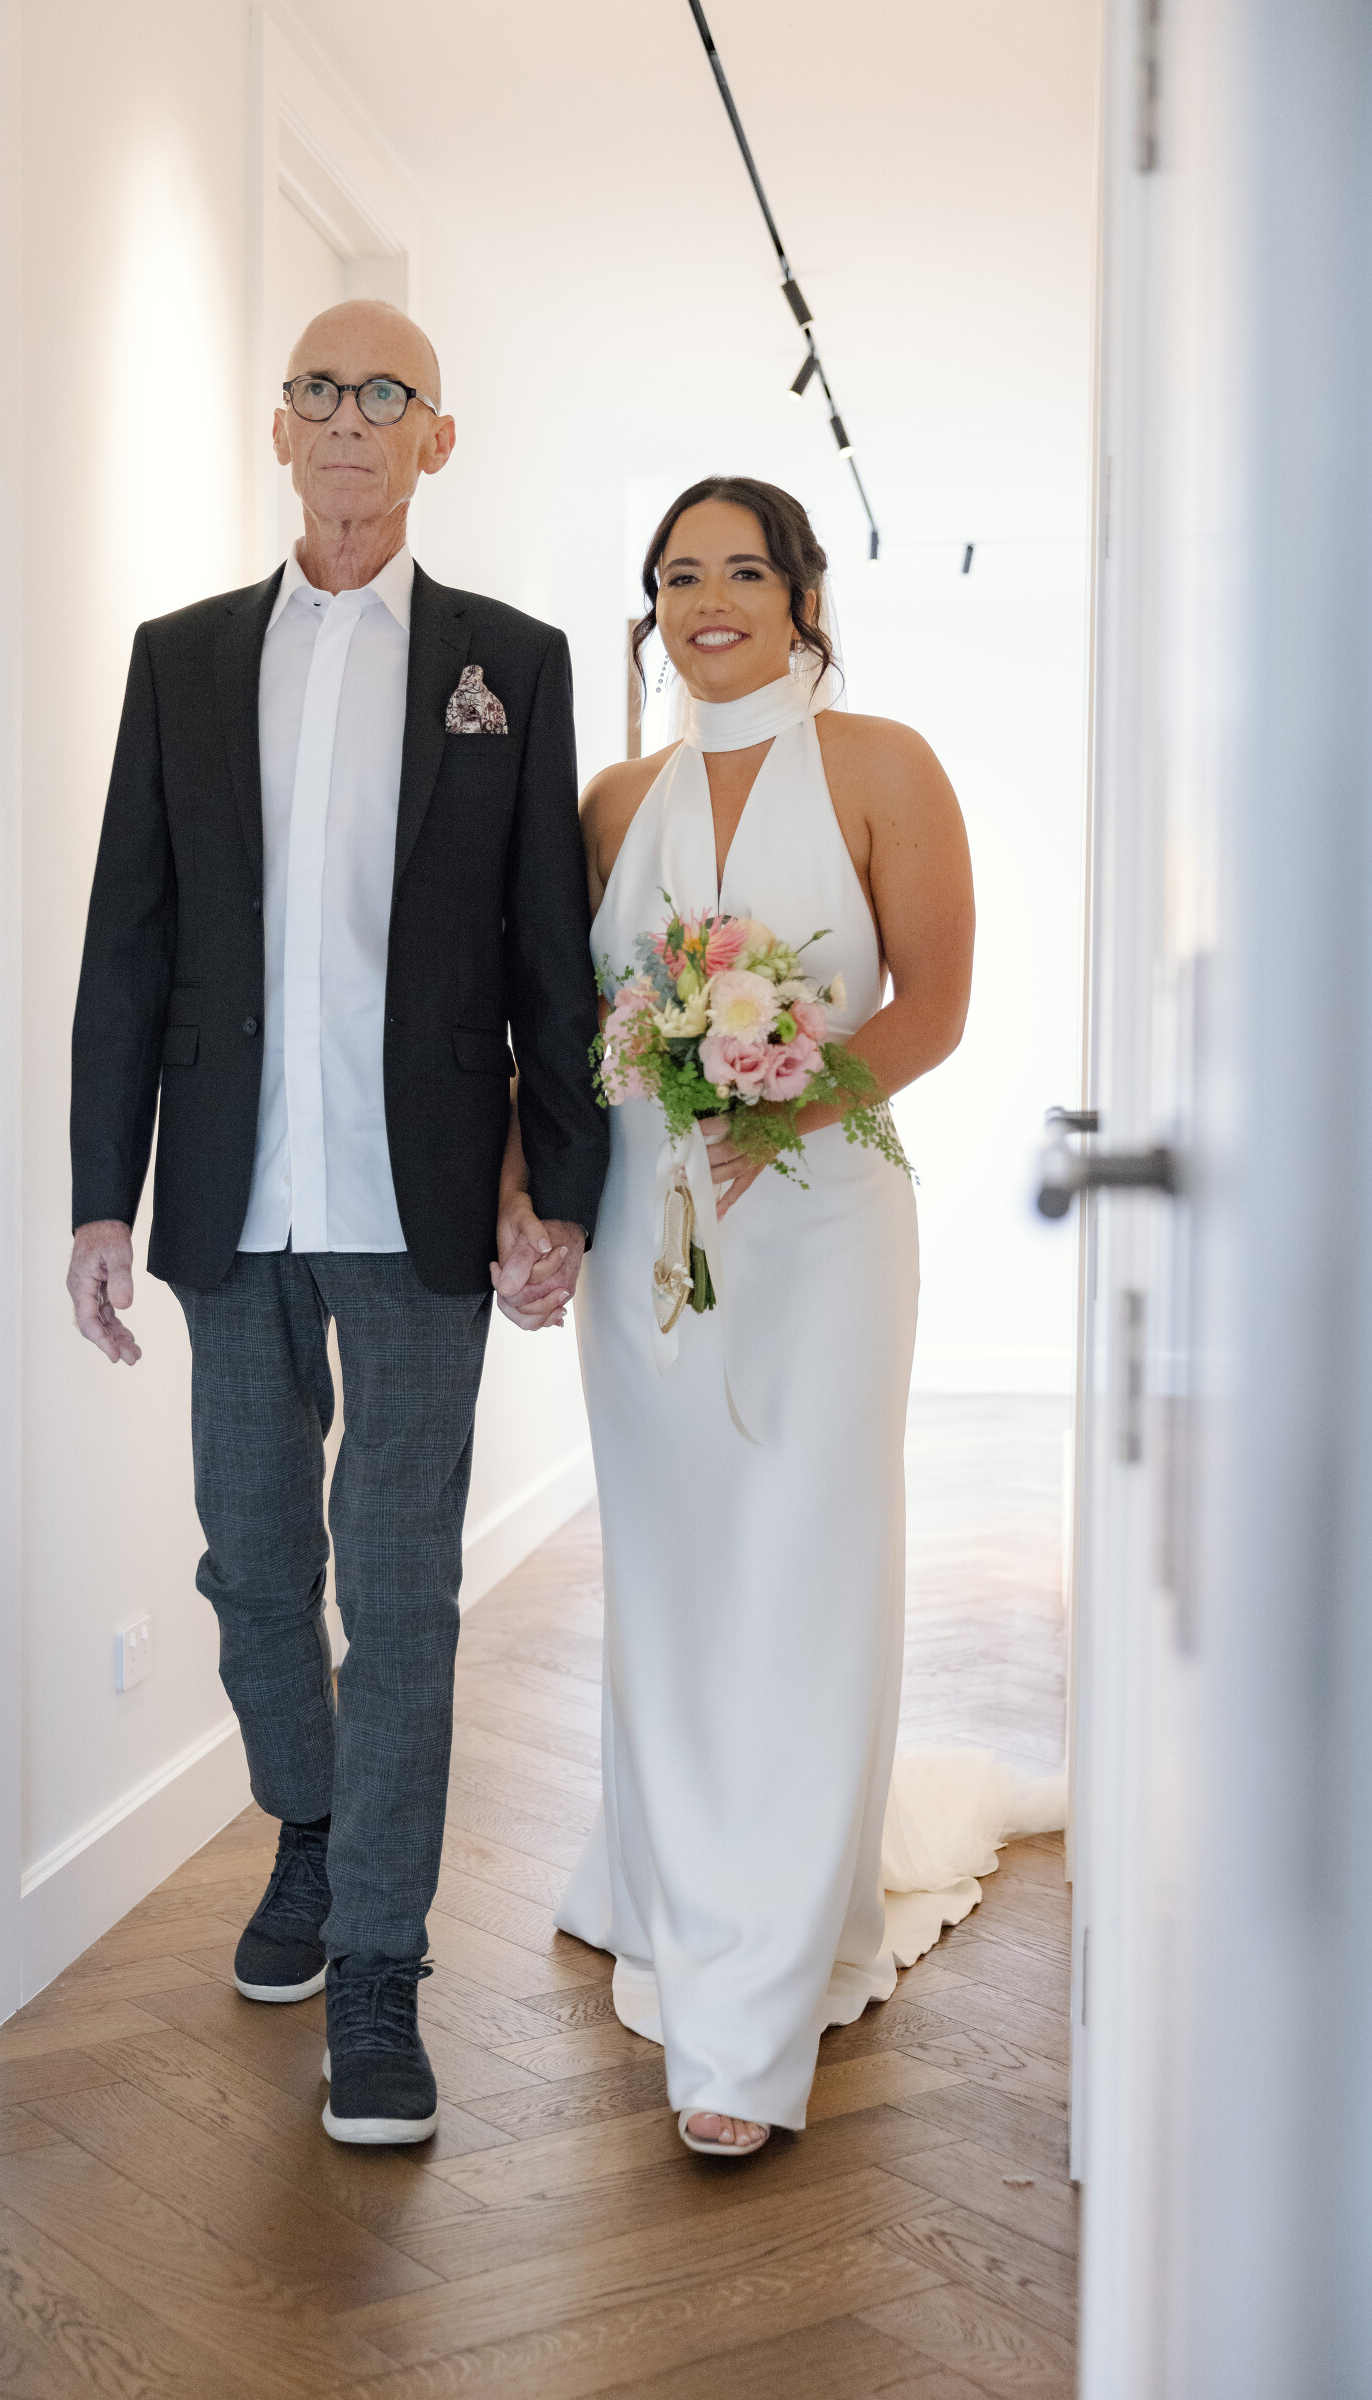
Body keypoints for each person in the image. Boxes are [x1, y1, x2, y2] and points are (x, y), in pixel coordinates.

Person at [66, 300, 607, 2146]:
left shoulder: (508, 663)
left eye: (387, 394)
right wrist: (101, 1194)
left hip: (419, 1205)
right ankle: (306, 1818)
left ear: (435, 438)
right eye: (320, 389)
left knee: (397, 1589)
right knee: (247, 1564)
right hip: (232, 1195)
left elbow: (549, 955)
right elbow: (127, 943)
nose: (350, 419)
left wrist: (560, 1192)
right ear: (279, 426)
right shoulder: (182, 659)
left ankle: (377, 1961)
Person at [507, 475, 979, 2155]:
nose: (708, 602)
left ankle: (754, 2008)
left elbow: (934, 1005)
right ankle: (667, 1875)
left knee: (803, 1565)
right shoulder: (611, 797)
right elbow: (556, 1023)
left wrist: (786, 1101)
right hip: (650, 1232)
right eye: (678, 576)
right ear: (654, 610)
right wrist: (527, 1191)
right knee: (673, 1565)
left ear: (801, 598)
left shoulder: (882, 765)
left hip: (825, 1226)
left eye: (741, 572)